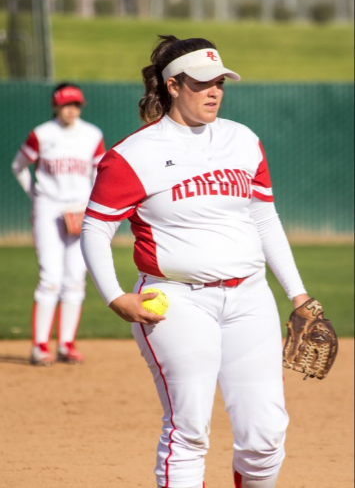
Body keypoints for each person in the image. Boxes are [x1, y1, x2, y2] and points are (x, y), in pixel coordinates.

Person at [80, 35, 311, 488]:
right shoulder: (132, 155)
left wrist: (299, 296)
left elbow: (265, 219)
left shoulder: (242, 140)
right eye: (202, 82)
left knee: (265, 437)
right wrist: (114, 296)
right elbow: (95, 228)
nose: (214, 91)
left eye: (220, 82)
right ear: (172, 85)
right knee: (189, 430)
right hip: (176, 301)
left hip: (249, 297)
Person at [12, 82, 106, 366]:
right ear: (56, 106)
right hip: (49, 208)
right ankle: (40, 345)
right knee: (50, 277)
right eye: (66, 104)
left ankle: (66, 344)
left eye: (76, 104)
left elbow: (99, 173)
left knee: (75, 278)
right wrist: (36, 195)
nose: (71, 110)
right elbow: (18, 166)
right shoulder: (42, 134)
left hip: (79, 209)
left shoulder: (92, 135)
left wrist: (90, 205)